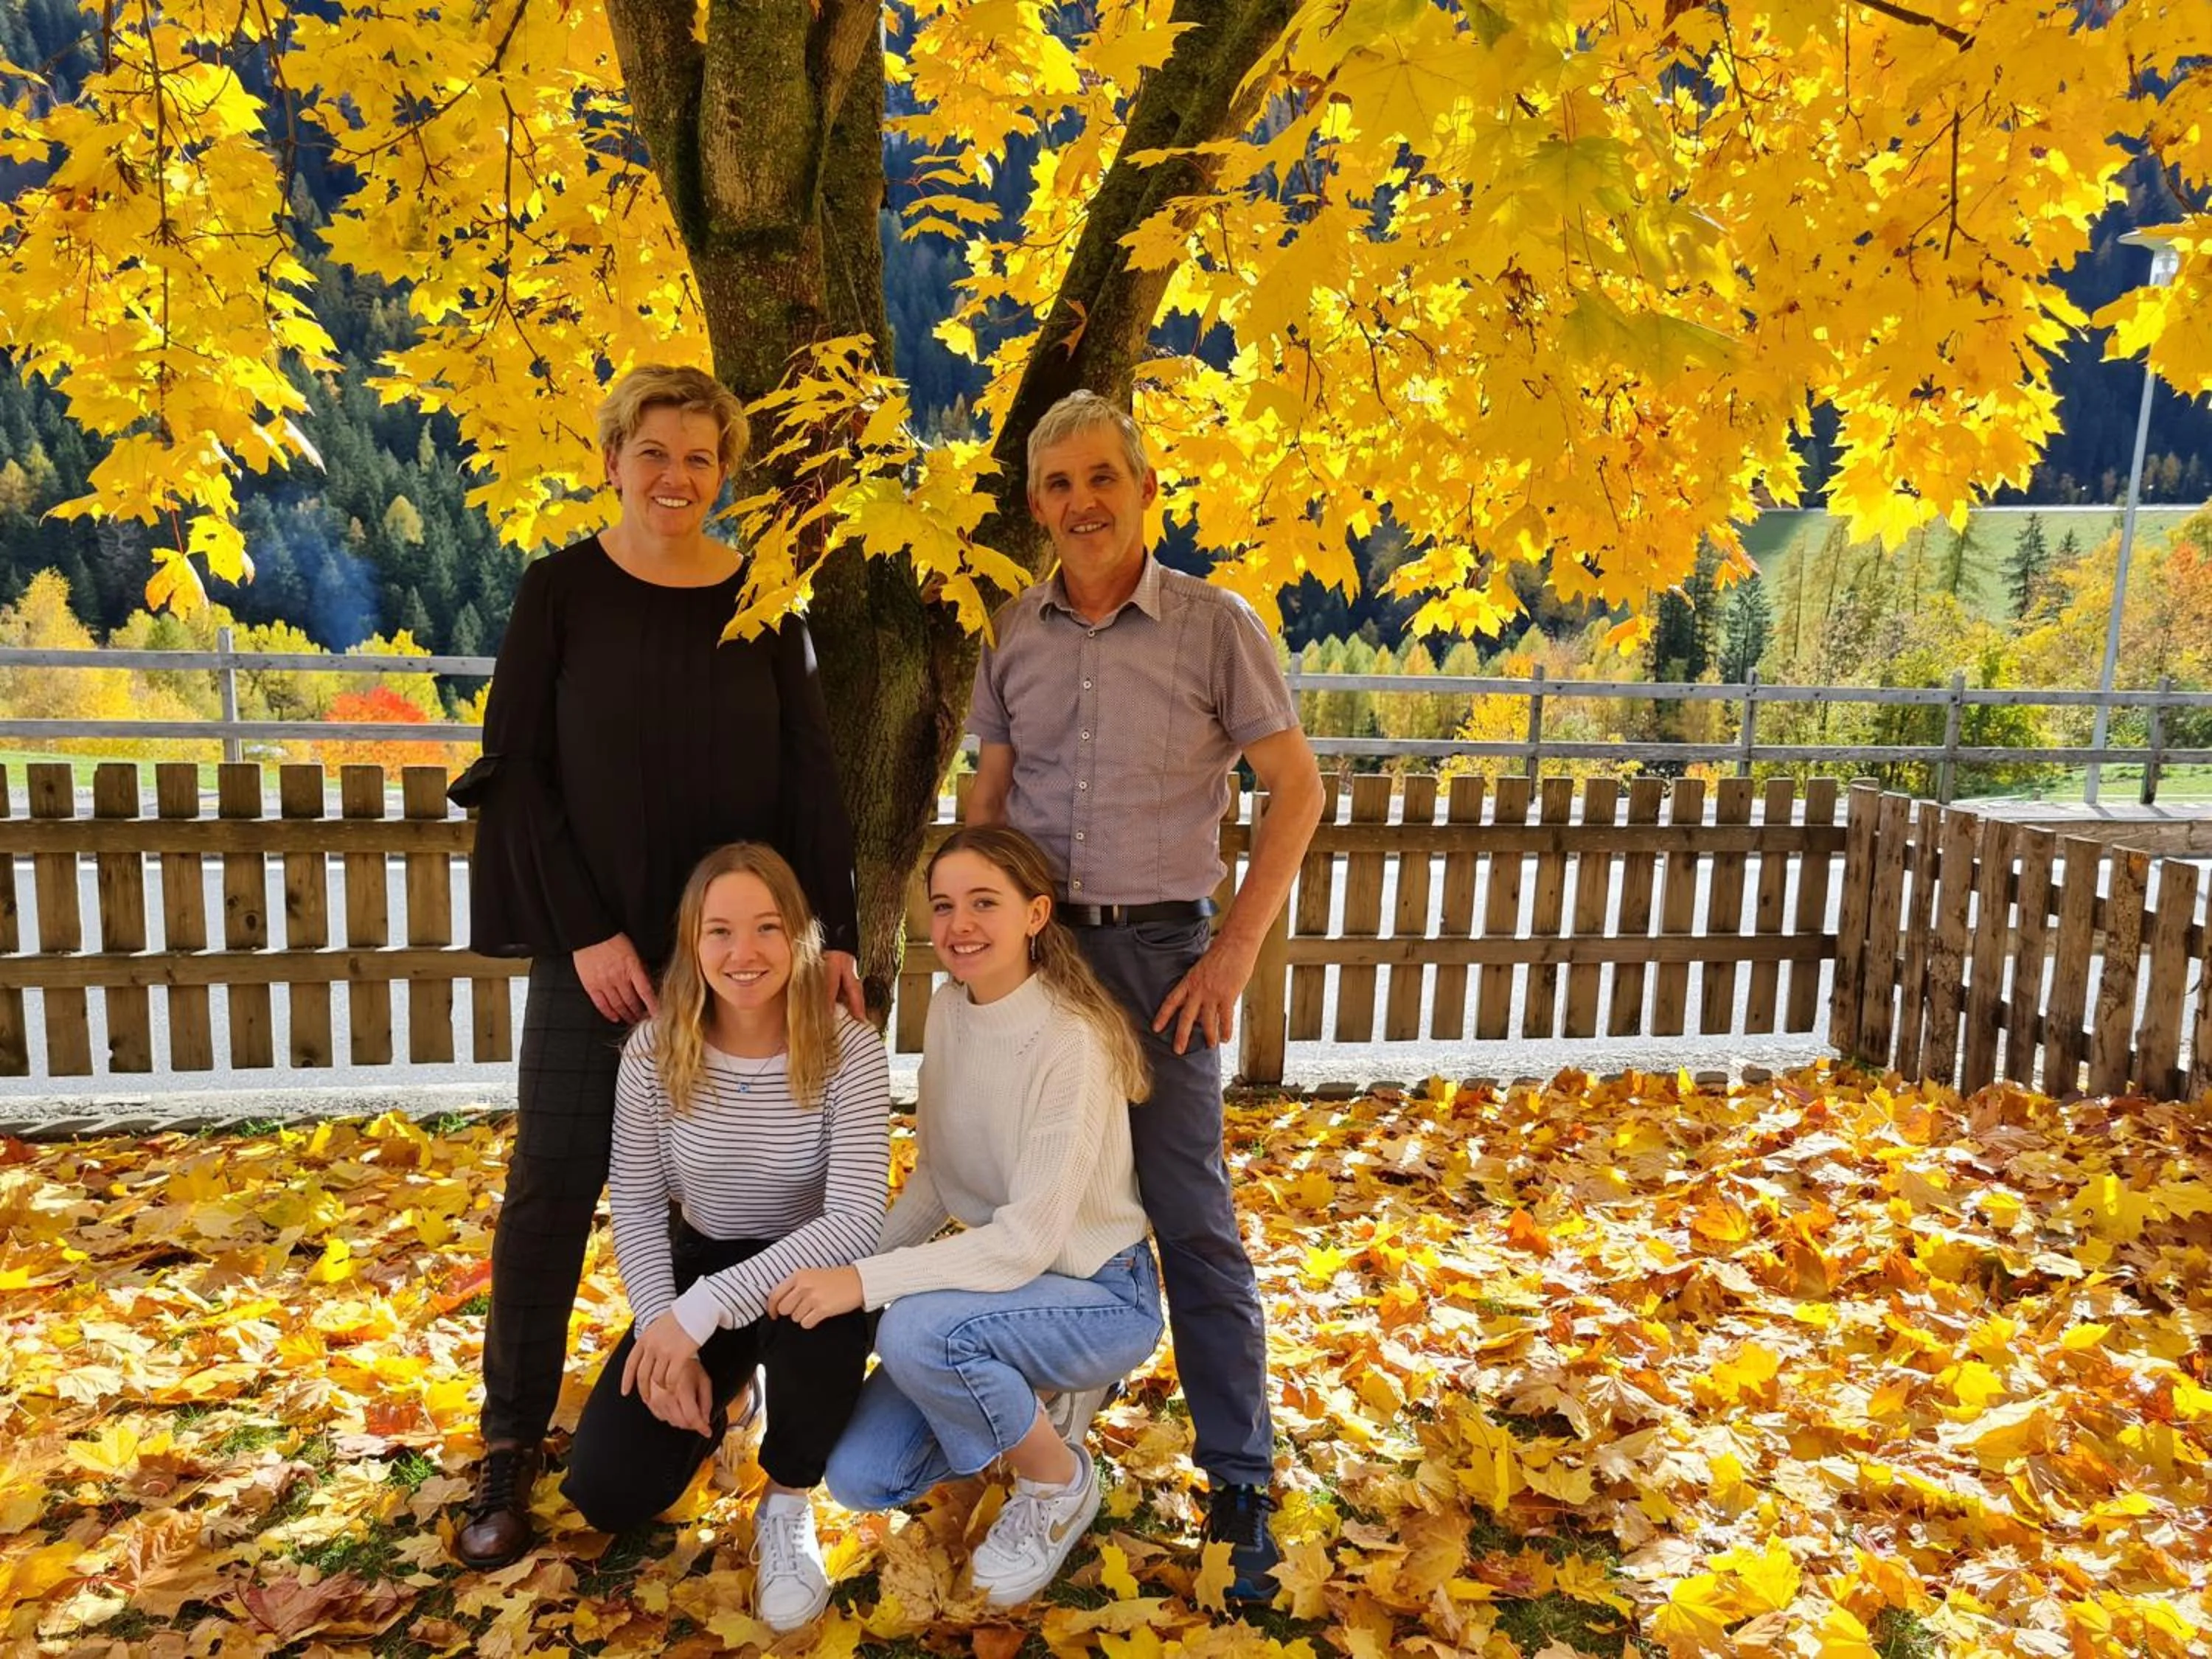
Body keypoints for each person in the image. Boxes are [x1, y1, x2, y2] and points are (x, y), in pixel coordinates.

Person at [449, 364, 865, 1569]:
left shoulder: (763, 603)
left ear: (722, 473)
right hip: (605, 966)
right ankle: (509, 1446)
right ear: (614, 459)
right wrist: (581, 931)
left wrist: (823, 940)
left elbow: (810, 786)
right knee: (551, 1195)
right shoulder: (560, 595)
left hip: (743, 969)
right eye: (654, 451)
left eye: (700, 457)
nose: (676, 476)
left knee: (749, 1195)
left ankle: (709, 1377)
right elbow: (516, 773)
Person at [964, 389, 1324, 1603]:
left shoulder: (1217, 627)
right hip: (1042, 962)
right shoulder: (1012, 631)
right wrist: (977, 950)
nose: (1081, 504)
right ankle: (1044, 1459)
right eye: (1057, 485)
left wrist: (1231, 957)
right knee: (1038, 1202)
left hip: (1168, 963)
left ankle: (1239, 1476)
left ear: (1145, 487)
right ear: (1036, 506)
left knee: (1189, 1213)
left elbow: (1298, 792)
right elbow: (988, 807)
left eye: (1101, 477)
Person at [768, 826, 1162, 1609]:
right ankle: (1028, 1399)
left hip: (1097, 1293)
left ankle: (1059, 1485)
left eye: (985, 902)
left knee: (917, 1329)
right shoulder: (949, 1012)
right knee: (861, 1477)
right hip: (997, 1296)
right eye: (943, 906)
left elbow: (1029, 1242)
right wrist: (826, 1277)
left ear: (1036, 914)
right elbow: (939, 1185)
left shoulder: (1072, 1039)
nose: (959, 925)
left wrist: (864, 1282)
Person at [561, 843, 887, 1632]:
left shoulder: (851, 1051)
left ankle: (785, 1502)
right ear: (691, 942)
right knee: (611, 1491)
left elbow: (852, 1221)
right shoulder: (653, 1050)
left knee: (827, 1318)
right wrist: (660, 1332)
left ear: (802, 936)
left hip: (812, 1267)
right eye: (720, 932)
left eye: (768, 927)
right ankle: (738, 1399)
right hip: (702, 1260)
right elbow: (637, 1207)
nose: (744, 953)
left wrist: (700, 1313)